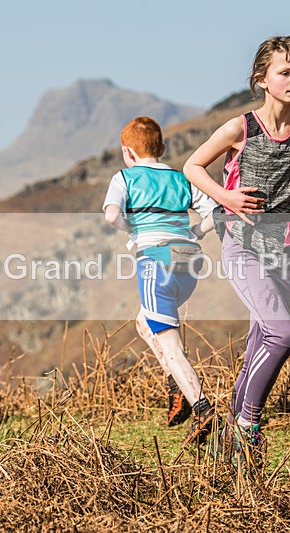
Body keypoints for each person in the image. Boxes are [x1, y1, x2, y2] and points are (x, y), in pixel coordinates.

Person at [183, 36, 290, 466]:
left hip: (286, 245)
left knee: (262, 335)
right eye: (285, 72)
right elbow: (192, 166)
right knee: (282, 333)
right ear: (262, 80)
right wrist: (227, 197)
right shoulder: (240, 128)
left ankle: (231, 436)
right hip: (241, 241)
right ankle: (247, 426)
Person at [103, 116, 217, 446]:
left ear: (127, 152)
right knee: (144, 322)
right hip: (190, 262)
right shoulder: (183, 179)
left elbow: (111, 215)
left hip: (156, 263)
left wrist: (133, 230)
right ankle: (176, 385)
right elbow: (214, 213)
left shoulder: (124, 177)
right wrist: (193, 232)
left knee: (171, 345)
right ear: (163, 148)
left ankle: (201, 407)